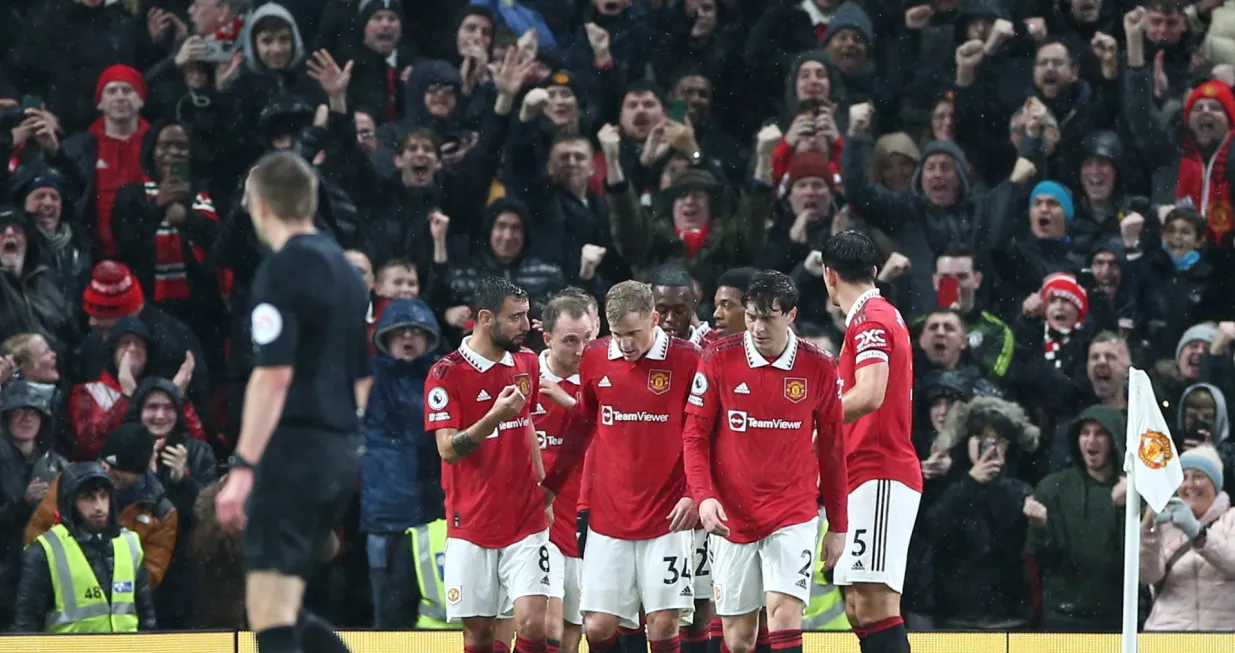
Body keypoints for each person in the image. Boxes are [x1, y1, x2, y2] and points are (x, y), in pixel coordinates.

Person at [214, 151, 372, 653]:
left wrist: (242, 468)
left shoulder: (281, 270)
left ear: (260, 206)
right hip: (338, 450)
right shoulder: (348, 272)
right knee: (282, 606)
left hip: (295, 450)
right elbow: (362, 377)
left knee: (269, 612)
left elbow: (274, 375)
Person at [683, 270, 849, 653]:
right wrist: (704, 496)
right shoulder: (718, 359)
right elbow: (694, 437)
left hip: (792, 512)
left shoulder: (819, 366)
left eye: (768, 318)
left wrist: (838, 525)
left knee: (784, 616)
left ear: (790, 315)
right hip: (731, 514)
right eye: (752, 316)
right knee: (739, 640)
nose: (757, 327)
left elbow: (833, 450)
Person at [541, 280, 702, 653]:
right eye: (617, 335)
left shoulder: (688, 359)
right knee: (597, 627)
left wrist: (695, 494)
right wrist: (550, 487)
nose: (626, 344)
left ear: (654, 319)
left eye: (634, 333)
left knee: (662, 624)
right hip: (609, 516)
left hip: (667, 515)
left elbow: (704, 436)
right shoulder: (596, 357)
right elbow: (582, 427)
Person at [422, 276, 551, 653]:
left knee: (532, 623)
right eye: (516, 318)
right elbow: (448, 449)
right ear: (484, 318)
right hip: (471, 522)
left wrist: (546, 491)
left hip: (526, 519)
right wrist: (494, 416)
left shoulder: (527, 362)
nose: (526, 326)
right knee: (479, 637)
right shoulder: (445, 375)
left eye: (527, 316)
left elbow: (526, 422)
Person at [821, 231, 921, 653]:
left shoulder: (871, 320)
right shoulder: (873, 317)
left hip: (880, 470)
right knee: (859, 607)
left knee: (876, 605)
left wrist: (806, 420)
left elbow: (870, 393)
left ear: (829, 277)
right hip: (861, 472)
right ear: (874, 271)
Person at [11, 461, 157, 632]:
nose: (99, 507)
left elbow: (146, 618)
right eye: (88, 498)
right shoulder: (45, 551)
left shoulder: (130, 543)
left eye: (104, 496)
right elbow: (26, 627)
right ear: (70, 503)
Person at [534, 290, 596, 653]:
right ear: (548, 338)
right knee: (547, 626)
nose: (580, 350)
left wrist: (571, 403)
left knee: (574, 633)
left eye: (587, 339)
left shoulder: (600, 380)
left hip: (588, 522)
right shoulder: (525, 378)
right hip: (542, 522)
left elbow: (618, 439)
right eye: (570, 340)